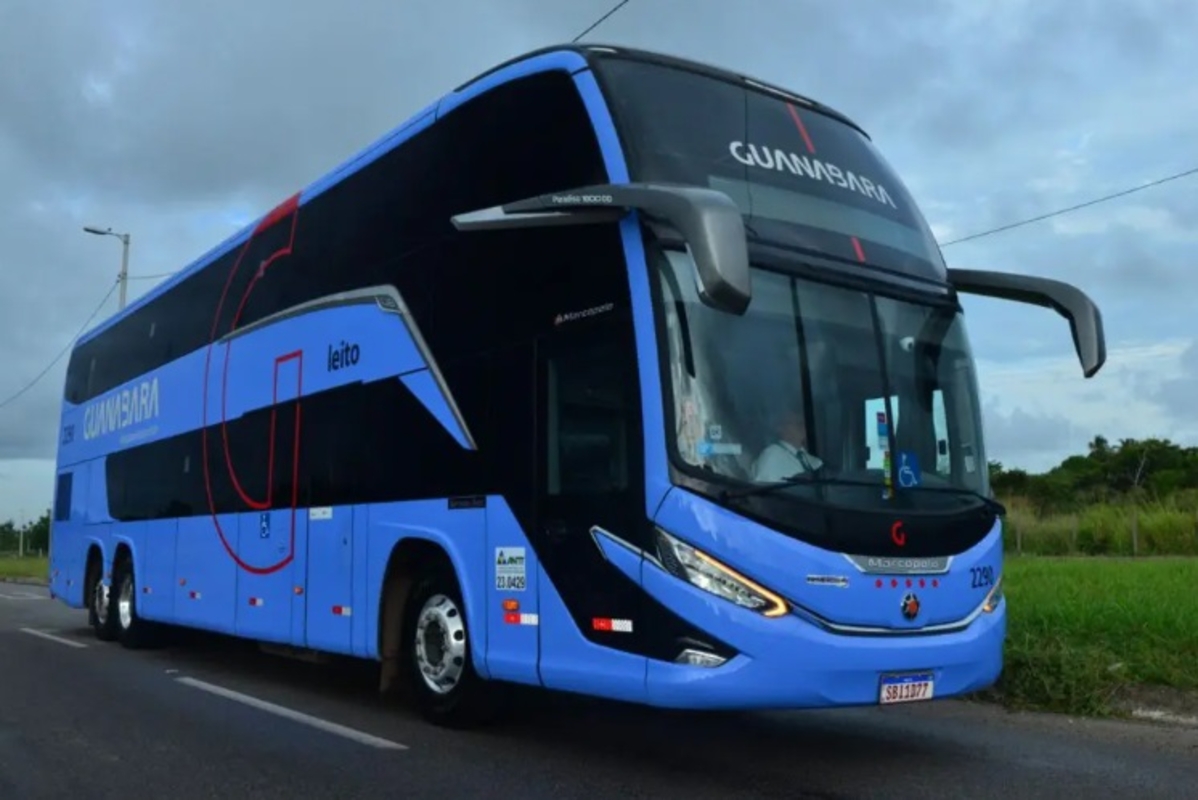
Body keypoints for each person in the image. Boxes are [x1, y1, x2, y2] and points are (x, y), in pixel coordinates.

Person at [751, 406, 823, 482]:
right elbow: (764, 487)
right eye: (795, 423)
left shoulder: (814, 461)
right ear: (780, 428)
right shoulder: (771, 456)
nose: (801, 426)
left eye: (802, 423)